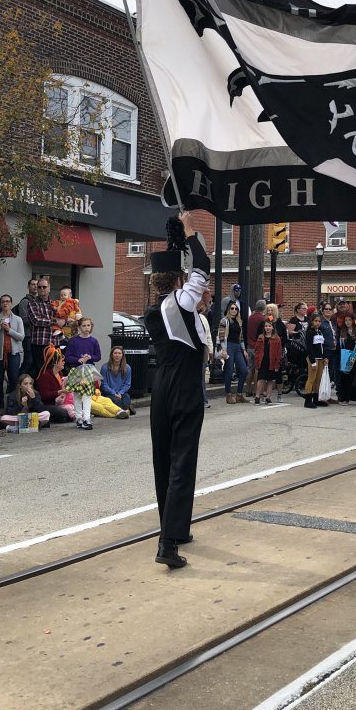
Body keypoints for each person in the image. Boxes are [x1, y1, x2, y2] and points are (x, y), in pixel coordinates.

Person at [143, 212, 212, 569]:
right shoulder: (182, 302)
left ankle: (174, 527)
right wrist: (189, 231)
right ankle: (168, 543)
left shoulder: (153, 310)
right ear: (178, 280)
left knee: (164, 459)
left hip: (161, 388)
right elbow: (204, 263)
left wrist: (176, 240)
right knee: (183, 461)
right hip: (185, 385)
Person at [25, 279, 64, 372]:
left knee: (55, 371)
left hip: (55, 344)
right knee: (41, 371)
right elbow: (36, 320)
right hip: (40, 344)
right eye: (39, 287)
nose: (42, 289)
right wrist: (55, 321)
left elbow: (62, 319)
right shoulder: (32, 303)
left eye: (44, 287)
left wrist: (65, 320)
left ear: (49, 288)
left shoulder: (55, 304)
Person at [217, 300, 248, 404]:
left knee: (244, 370)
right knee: (229, 372)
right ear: (228, 310)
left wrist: (244, 350)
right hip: (228, 346)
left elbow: (242, 337)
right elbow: (221, 336)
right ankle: (228, 395)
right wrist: (224, 349)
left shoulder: (239, 322)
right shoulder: (224, 321)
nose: (234, 310)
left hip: (238, 347)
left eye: (236, 309)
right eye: (232, 308)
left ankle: (239, 395)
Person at [35, 346, 75, 423]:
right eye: (62, 361)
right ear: (55, 362)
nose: (64, 362)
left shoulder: (60, 374)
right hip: (48, 404)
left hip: (60, 403)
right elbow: (44, 395)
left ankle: (70, 416)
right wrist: (60, 392)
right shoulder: (45, 375)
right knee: (61, 412)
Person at [0, 295, 25, 399]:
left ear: (11, 303)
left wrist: (9, 330)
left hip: (14, 353)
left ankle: (12, 405)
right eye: (3, 301)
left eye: (7, 301)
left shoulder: (18, 319)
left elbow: (21, 337)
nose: (5, 303)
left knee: (13, 379)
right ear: (0, 304)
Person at [253, 318, 283, 404]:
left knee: (270, 380)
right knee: (261, 378)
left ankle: (268, 397)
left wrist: (277, 364)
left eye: (269, 326)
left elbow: (278, 352)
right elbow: (257, 350)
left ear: (273, 327)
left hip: (272, 361)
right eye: (266, 326)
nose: (267, 328)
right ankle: (257, 395)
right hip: (262, 360)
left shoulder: (277, 339)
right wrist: (257, 361)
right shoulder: (260, 337)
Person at [302, 311, 327, 409]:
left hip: (320, 358)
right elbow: (310, 348)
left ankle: (316, 399)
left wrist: (325, 357)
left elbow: (322, 346)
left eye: (319, 321)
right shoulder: (310, 332)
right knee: (311, 379)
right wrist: (312, 361)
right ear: (312, 322)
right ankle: (308, 400)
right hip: (313, 359)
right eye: (316, 321)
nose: (318, 323)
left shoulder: (320, 332)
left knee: (318, 379)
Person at [336, 313, 356, 405]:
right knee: (345, 377)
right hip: (345, 356)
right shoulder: (342, 331)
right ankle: (344, 398)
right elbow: (339, 346)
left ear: (353, 321)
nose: (347, 322)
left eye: (349, 320)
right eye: (346, 320)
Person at [100, 345, 133, 415]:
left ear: (122, 355)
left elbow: (127, 384)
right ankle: (126, 410)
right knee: (116, 400)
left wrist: (120, 393)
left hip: (121, 393)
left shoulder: (127, 368)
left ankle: (124, 410)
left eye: (119, 353)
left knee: (127, 397)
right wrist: (113, 393)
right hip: (108, 393)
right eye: (115, 353)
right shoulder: (105, 367)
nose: (117, 355)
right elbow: (104, 384)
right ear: (111, 355)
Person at [15, 278, 39, 375]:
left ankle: (29, 384)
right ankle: (18, 382)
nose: (35, 286)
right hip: (28, 336)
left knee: (35, 362)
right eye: (33, 284)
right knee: (28, 361)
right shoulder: (25, 302)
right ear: (28, 287)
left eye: (37, 285)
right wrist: (39, 321)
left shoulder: (39, 301)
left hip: (38, 336)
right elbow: (24, 320)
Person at [244, 299, 267, 397]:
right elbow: (272, 319)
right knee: (258, 369)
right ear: (264, 308)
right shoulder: (263, 318)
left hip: (249, 346)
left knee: (250, 368)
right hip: (258, 346)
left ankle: (247, 389)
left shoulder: (250, 317)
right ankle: (256, 390)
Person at [320, 301, 339, 403]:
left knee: (330, 374)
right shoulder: (321, 323)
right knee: (324, 374)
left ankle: (327, 395)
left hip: (334, 350)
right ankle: (322, 396)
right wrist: (323, 355)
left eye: (330, 309)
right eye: (326, 309)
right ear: (322, 311)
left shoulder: (332, 323)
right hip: (326, 350)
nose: (328, 311)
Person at [196, 300, 213, 408]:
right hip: (191, 353)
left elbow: (208, 336)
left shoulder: (203, 319)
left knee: (201, 378)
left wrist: (210, 351)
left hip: (202, 352)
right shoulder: (187, 318)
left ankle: (203, 400)